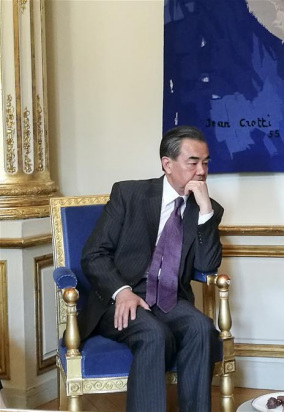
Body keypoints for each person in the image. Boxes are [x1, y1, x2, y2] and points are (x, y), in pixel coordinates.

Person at [80, 126, 223, 412]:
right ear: (167, 164)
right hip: (121, 295)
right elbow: (93, 254)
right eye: (193, 162)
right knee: (153, 333)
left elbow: (207, 266)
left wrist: (206, 211)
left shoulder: (207, 209)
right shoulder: (129, 193)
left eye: (206, 162)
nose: (202, 171)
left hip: (170, 297)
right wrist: (121, 292)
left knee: (202, 328)